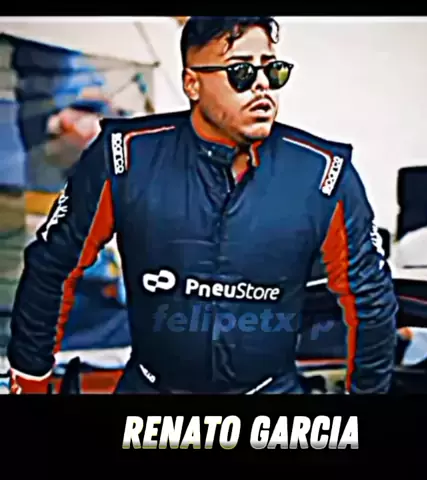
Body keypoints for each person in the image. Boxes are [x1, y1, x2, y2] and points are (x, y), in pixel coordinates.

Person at [7, 16, 397, 395]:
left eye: (273, 70)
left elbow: (371, 299)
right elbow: (52, 266)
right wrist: (30, 381)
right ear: (192, 83)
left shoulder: (324, 172)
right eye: (241, 72)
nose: (262, 85)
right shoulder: (125, 155)